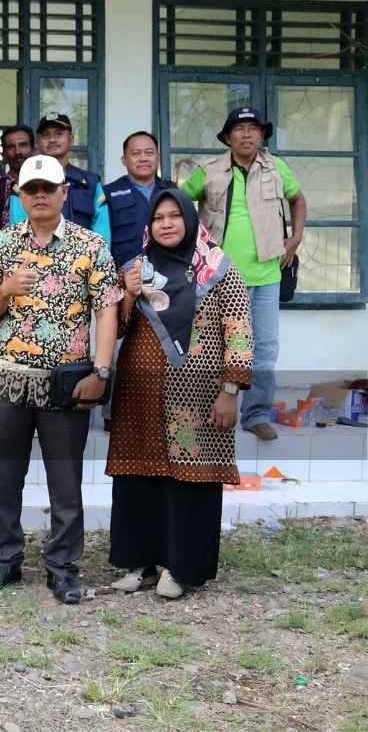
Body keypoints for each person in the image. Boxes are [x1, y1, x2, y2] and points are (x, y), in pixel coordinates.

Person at [0, 154, 121, 604]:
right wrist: (5, 290)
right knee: (5, 476)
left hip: (66, 383)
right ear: (20, 196)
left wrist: (101, 371)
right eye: (31, 189)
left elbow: (108, 308)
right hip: (7, 381)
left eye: (48, 188)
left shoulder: (90, 245)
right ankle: (5, 561)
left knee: (65, 480)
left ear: (64, 193)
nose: (39, 196)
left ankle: (62, 567)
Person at [107, 188, 253, 599]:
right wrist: (130, 296)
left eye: (175, 216)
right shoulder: (134, 269)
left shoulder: (218, 268)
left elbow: (239, 330)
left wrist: (230, 390)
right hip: (139, 394)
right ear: (149, 226)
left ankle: (181, 568)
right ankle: (140, 563)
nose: (167, 224)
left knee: (190, 480)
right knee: (138, 477)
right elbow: (113, 329)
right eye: (159, 218)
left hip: (199, 396)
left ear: (190, 221)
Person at [179, 106, 305, 442]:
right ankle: (210, 407)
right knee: (214, 345)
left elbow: (298, 199)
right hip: (219, 276)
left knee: (264, 348)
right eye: (239, 128)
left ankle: (256, 414)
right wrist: (192, 246)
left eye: (253, 128)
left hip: (266, 275)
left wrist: (295, 237)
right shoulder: (209, 170)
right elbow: (177, 202)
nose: (246, 134)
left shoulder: (277, 168)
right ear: (228, 136)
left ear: (262, 135)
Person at [8, 115, 110, 244]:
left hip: (85, 260)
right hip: (36, 259)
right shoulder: (23, 184)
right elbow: (19, 231)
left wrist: (95, 260)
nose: (52, 140)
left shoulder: (91, 183)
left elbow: (102, 233)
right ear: (38, 143)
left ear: (71, 139)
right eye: (46, 135)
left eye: (59, 134)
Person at [103, 131, 173, 270]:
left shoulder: (172, 192)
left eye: (149, 153)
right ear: (124, 160)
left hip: (168, 274)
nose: (143, 159)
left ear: (158, 157)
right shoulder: (108, 193)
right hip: (124, 277)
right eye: (136, 154)